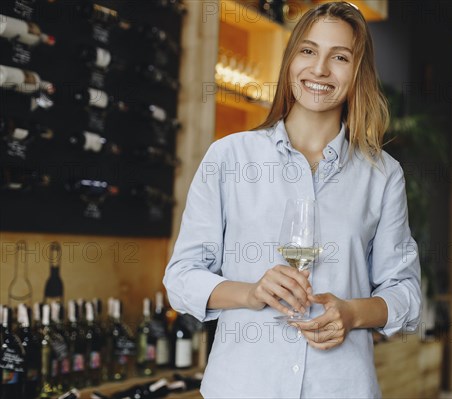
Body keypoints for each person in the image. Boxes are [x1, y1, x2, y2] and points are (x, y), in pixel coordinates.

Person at [163, 2, 421, 398]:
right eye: (308, 51)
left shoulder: (382, 175)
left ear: (357, 72)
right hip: (243, 386)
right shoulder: (229, 158)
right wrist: (250, 293)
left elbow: (405, 293)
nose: (319, 69)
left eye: (339, 57)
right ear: (290, 61)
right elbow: (181, 279)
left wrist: (353, 313)